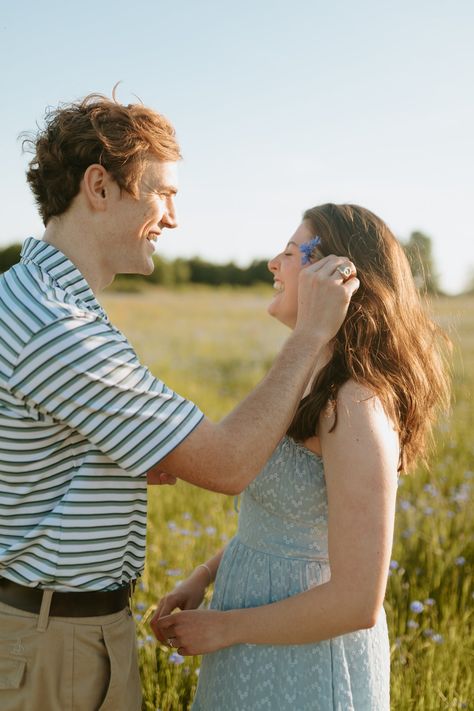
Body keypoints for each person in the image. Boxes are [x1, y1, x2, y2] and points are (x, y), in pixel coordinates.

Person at [0, 95, 359, 711]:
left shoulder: (35, 297)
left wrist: (110, 461)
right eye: (163, 193)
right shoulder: (57, 327)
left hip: (50, 628)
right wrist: (309, 337)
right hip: (51, 641)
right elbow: (226, 466)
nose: (173, 218)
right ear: (100, 187)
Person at [152, 203, 451, 710]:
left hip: (306, 661)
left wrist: (225, 628)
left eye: (291, 253)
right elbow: (285, 526)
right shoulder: (308, 382)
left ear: (336, 275)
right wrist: (203, 578)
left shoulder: (354, 403)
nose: (273, 263)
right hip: (251, 642)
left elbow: (358, 602)